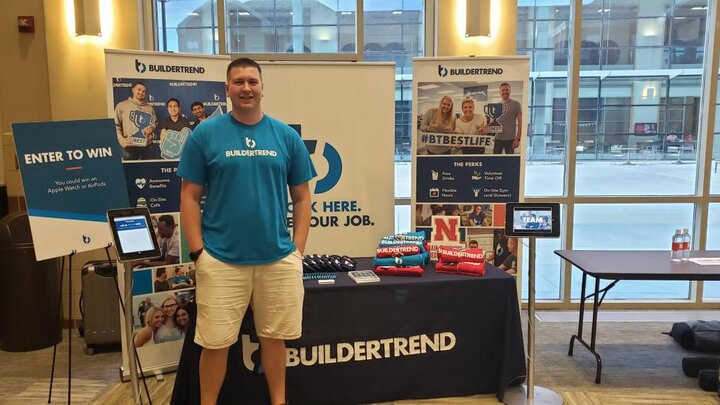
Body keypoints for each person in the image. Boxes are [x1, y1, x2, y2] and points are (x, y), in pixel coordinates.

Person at [178, 57, 316, 405]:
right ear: (227, 89)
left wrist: (297, 250)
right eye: (238, 82)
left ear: (262, 87)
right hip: (221, 260)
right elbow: (189, 196)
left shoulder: (285, 136)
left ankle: (278, 401)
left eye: (252, 81)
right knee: (215, 344)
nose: (246, 88)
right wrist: (198, 253)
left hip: (277, 259)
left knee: (274, 339)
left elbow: (302, 198)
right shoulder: (205, 134)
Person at [114, 82, 158, 160]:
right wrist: (121, 139)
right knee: (130, 170)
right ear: (133, 90)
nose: (141, 92)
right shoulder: (122, 106)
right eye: (139, 90)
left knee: (149, 170)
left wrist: (152, 128)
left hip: (147, 145)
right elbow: (115, 125)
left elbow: (154, 123)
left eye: (143, 91)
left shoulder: (150, 108)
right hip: (129, 146)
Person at [492, 83, 523, 154]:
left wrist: (517, 139)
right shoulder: (497, 105)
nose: (505, 92)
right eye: (503, 90)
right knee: (495, 161)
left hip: (510, 140)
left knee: (509, 161)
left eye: (507, 90)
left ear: (510, 91)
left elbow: (521, 123)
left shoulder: (516, 104)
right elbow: (493, 123)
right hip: (498, 139)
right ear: (500, 92)